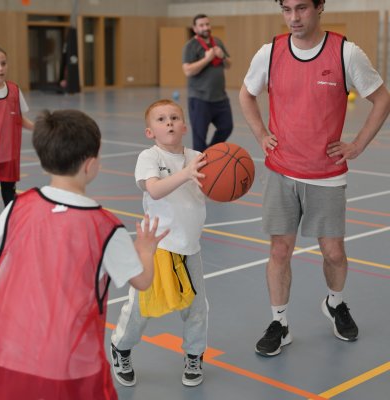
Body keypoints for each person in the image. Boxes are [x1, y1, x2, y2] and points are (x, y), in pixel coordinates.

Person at [239, 0, 390, 357]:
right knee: (279, 250)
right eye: (286, 9)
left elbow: (382, 99)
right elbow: (246, 94)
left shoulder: (346, 53)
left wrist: (357, 145)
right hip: (281, 170)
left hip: (327, 174)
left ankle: (335, 303)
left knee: (334, 253)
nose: (293, 17)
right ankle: (279, 323)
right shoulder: (270, 52)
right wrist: (261, 133)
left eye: (302, 8)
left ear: (320, 6)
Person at [0, 109, 168, 399]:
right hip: (71, 365)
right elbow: (142, 281)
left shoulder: (17, 208)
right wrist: (146, 250)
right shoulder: (106, 227)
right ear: (91, 164)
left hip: (11, 353)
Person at [111, 99, 209, 387]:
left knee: (197, 308)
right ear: (150, 132)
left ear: (184, 126)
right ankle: (121, 347)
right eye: (161, 119)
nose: (169, 122)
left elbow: (214, 187)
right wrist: (186, 173)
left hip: (190, 247)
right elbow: (154, 190)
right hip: (158, 247)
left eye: (174, 118)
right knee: (141, 308)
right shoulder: (149, 157)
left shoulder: (198, 156)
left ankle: (194, 355)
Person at [0, 44, 34, 207]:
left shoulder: (14, 90)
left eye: (3, 63)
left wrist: (40, 128)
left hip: (8, 155)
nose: (0, 68)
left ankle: (11, 220)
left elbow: (19, 119)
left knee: (10, 198)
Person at [182, 14, 233, 152]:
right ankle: (200, 162)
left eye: (207, 24)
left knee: (226, 127)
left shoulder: (217, 42)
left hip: (220, 98)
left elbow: (229, 65)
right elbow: (187, 71)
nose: (205, 27)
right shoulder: (190, 46)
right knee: (199, 139)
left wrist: (223, 56)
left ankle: (209, 153)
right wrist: (207, 59)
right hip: (200, 99)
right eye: (201, 25)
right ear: (195, 28)